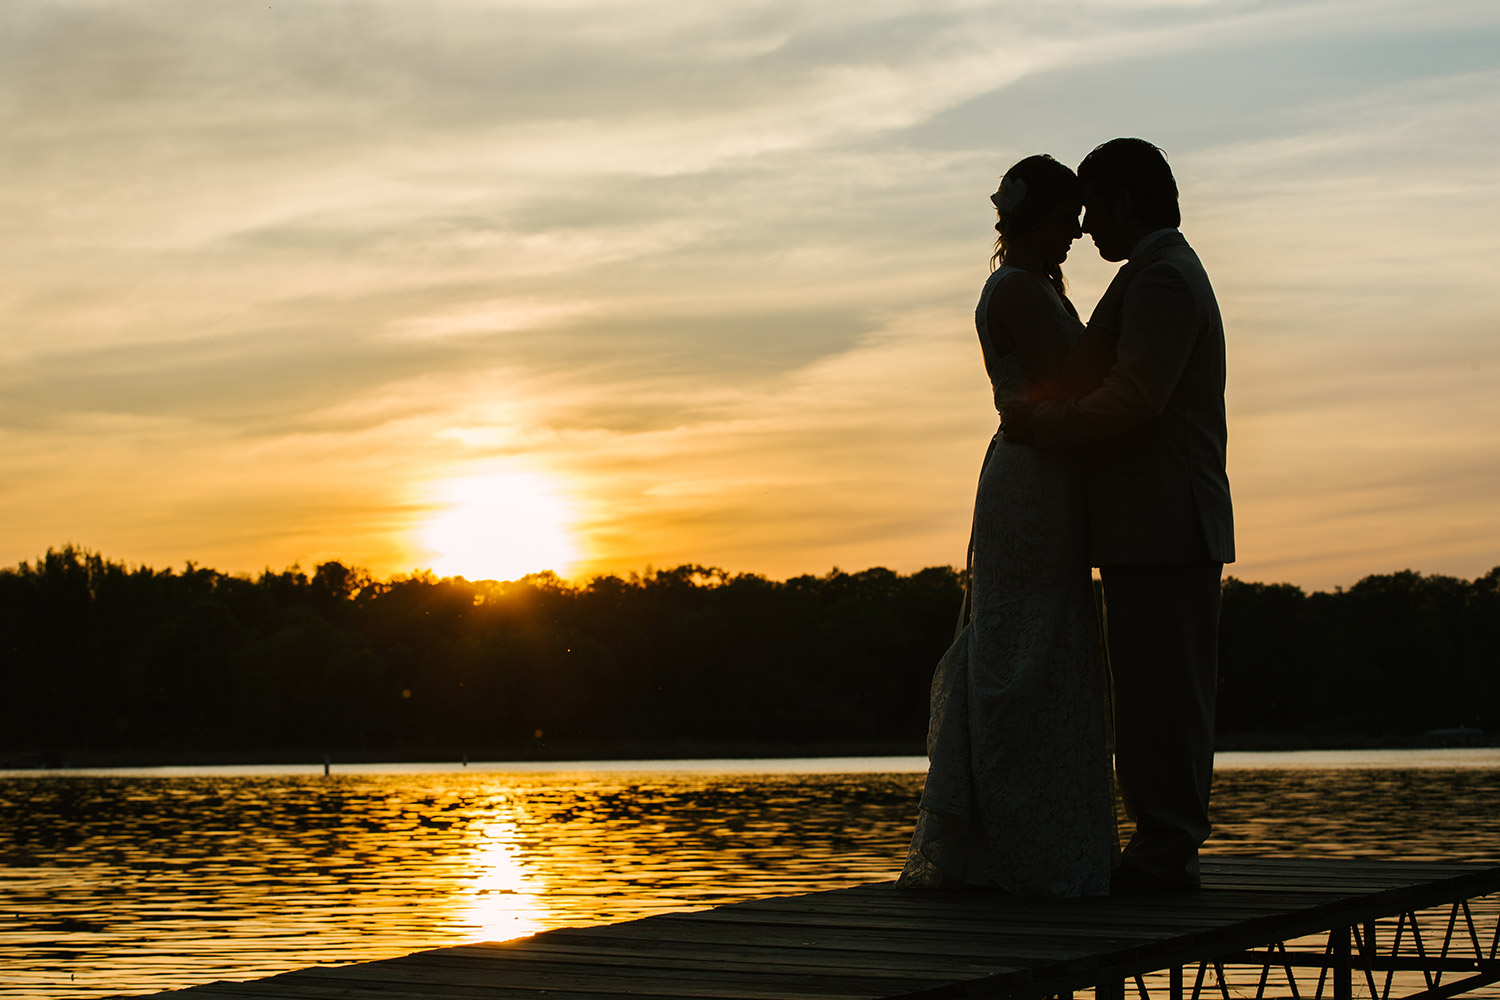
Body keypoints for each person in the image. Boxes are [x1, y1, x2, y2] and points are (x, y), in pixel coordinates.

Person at [1005, 138, 1234, 894]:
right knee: (1148, 693)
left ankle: (1166, 851)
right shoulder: (1153, 274)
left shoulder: (1164, 277)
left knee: (1166, 695)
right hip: (1151, 522)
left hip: (1167, 518)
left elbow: (1138, 396)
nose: (1085, 229)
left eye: (1094, 210)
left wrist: (1047, 426)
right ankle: (1160, 845)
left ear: (1125, 205)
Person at [898, 154, 1118, 896]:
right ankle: (1018, 842)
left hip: (1043, 474)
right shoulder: (1019, 289)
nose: (1078, 233)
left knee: (1043, 644)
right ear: (1036, 216)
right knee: (1021, 651)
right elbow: (1082, 376)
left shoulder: (1030, 285)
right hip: (1030, 483)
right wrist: (1128, 311)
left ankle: (1036, 834)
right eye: (1068, 218)